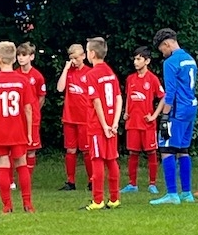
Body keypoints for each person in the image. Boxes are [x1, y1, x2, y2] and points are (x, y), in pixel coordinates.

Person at [0, 41, 38, 213]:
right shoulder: (23, 80)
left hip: (0, 130)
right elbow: (28, 108)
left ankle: (7, 205)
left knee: (3, 164)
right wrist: (29, 132)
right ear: (14, 59)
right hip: (18, 129)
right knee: (22, 163)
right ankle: (27, 203)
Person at [149, 28, 198, 206]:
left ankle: (172, 194)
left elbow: (170, 93)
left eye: (162, 49)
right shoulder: (190, 59)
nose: (162, 53)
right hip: (190, 108)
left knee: (166, 149)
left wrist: (164, 116)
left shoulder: (171, 62)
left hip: (177, 111)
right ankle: (187, 193)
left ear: (167, 44)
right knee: (183, 150)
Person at [83, 36, 123, 210]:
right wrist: (115, 123)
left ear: (92, 53)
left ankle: (98, 200)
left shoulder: (91, 74)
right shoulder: (110, 72)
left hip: (98, 126)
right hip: (111, 124)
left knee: (97, 160)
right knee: (112, 159)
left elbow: (96, 101)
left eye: (87, 51)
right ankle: (114, 198)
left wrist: (105, 125)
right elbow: (119, 98)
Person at [120, 46, 164, 194]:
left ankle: (152, 184)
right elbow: (129, 96)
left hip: (147, 123)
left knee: (151, 152)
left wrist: (154, 115)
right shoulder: (130, 79)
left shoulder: (152, 79)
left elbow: (163, 97)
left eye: (139, 59)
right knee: (133, 153)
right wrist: (126, 112)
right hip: (133, 122)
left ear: (147, 61)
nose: (135, 62)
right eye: (135, 59)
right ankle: (132, 184)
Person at [56, 43, 92, 191]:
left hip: (85, 118)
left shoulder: (89, 72)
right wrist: (65, 69)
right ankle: (70, 181)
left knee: (86, 151)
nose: (74, 61)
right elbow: (60, 88)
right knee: (70, 150)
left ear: (83, 56)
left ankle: (92, 180)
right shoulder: (69, 72)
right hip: (69, 117)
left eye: (77, 58)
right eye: (72, 58)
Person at [16, 41, 47, 177]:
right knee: (16, 149)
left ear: (32, 57)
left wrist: (34, 111)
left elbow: (41, 97)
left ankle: (27, 178)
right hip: (17, 118)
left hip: (32, 117)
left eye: (24, 55)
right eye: (18, 55)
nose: (21, 58)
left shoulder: (38, 76)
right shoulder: (15, 74)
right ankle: (12, 180)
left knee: (31, 149)